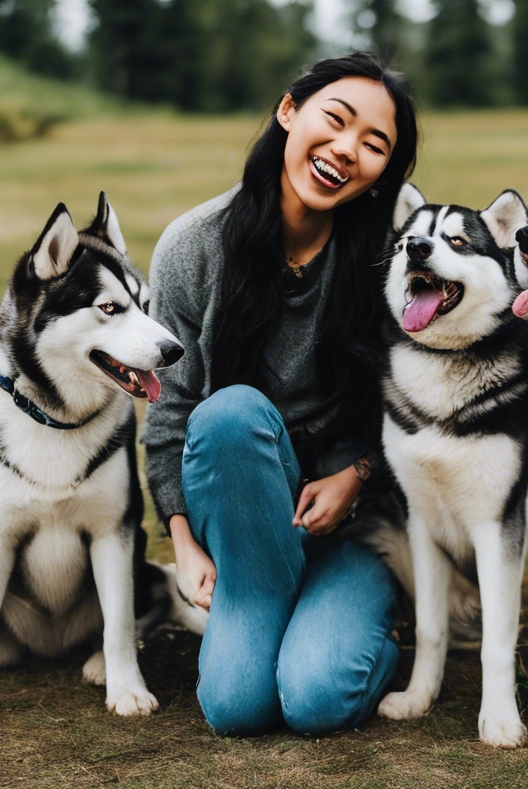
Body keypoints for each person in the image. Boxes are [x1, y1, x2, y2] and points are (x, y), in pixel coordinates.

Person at [142, 53, 419, 735]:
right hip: (243, 519)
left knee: (316, 700)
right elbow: (169, 414)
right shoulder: (193, 247)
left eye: (375, 145)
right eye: (337, 120)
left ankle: (370, 621)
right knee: (236, 710)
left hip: (354, 525)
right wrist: (183, 539)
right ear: (288, 110)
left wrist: (356, 475)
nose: (347, 150)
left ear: (385, 171)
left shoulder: (392, 257)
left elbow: (414, 406)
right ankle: (267, 600)